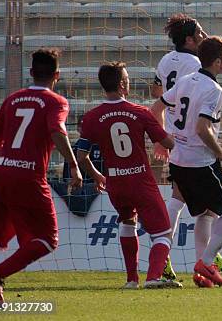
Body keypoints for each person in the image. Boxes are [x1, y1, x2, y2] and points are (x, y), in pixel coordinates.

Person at [0, 49, 82, 303]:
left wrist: (9, 158)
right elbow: (57, 130)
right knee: (48, 240)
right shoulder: (56, 102)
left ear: (31, 73)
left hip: (0, 173)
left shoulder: (13, 98)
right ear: (57, 75)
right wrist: (74, 165)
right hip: (28, 177)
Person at [76, 62, 180, 289]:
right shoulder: (139, 112)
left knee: (127, 222)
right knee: (163, 233)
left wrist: (97, 176)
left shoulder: (92, 117)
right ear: (123, 84)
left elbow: (81, 155)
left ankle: (132, 280)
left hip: (115, 183)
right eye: (127, 78)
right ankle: (153, 278)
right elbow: (168, 142)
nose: (129, 81)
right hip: (140, 181)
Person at [151, 36, 222, 288]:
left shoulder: (186, 80)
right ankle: (207, 262)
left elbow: (155, 108)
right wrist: (220, 152)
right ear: (216, 61)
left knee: (206, 211)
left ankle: (201, 272)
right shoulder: (214, 90)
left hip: (179, 159)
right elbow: (203, 128)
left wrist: (164, 138)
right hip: (200, 162)